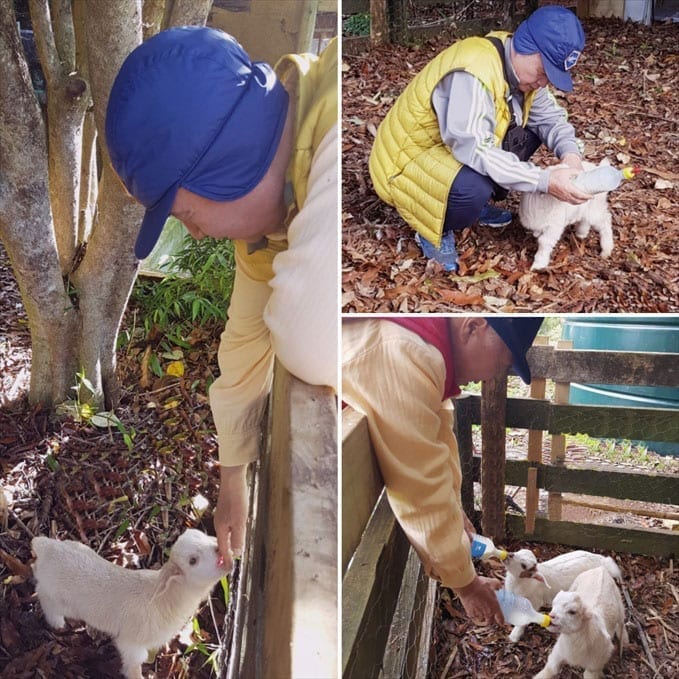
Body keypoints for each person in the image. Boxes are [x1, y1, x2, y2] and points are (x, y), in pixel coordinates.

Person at [105, 26, 338, 565]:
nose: (194, 233)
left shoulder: (334, 136)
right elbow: (245, 336)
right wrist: (232, 474)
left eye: (185, 213)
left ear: (229, 162)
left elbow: (310, 340)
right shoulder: (271, 215)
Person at [342, 316, 544, 624]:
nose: (493, 375)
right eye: (502, 360)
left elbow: (437, 443)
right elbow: (420, 489)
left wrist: (456, 513)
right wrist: (467, 586)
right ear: (473, 326)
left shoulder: (426, 349)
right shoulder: (408, 354)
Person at [368, 6, 591, 272]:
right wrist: (543, 181)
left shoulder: (518, 68)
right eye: (544, 71)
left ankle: (468, 208)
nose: (544, 82)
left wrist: (571, 155)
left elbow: (551, 119)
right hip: (402, 165)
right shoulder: (474, 71)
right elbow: (476, 148)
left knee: (531, 131)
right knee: (472, 186)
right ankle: (433, 229)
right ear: (526, 46)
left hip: (446, 150)